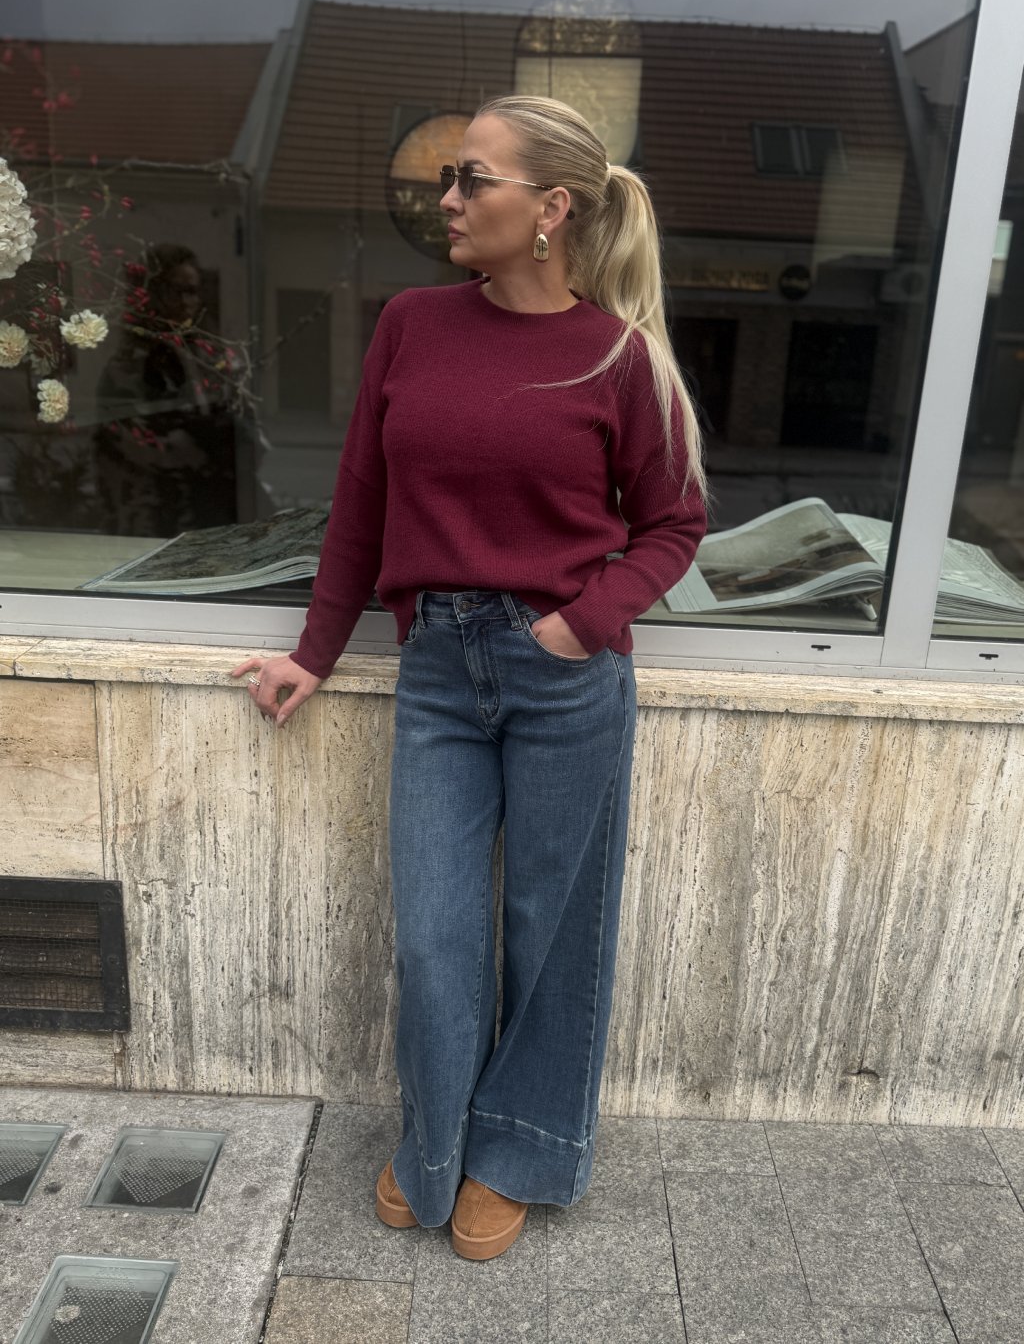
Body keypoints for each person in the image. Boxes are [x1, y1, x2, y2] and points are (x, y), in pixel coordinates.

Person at [231, 95, 709, 1261]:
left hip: (562, 677)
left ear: (550, 208)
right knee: (435, 935)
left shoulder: (617, 357)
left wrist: (581, 625)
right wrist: (315, 650)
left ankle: (520, 1149)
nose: (446, 200)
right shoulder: (412, 324)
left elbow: (674, 524)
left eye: (471, 179)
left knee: (553, 928)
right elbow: (362, 501)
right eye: (449, 178)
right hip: (438, 669)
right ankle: (437, 1141)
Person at [95, 242, 238, 536]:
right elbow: (128, 442)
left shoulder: (203, 352)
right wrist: (186, 449)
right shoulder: (132, 362)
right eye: (177, 291)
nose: (187, 302)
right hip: (155, 515)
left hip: (204, 512)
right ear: (154, 293)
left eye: (193, 292)